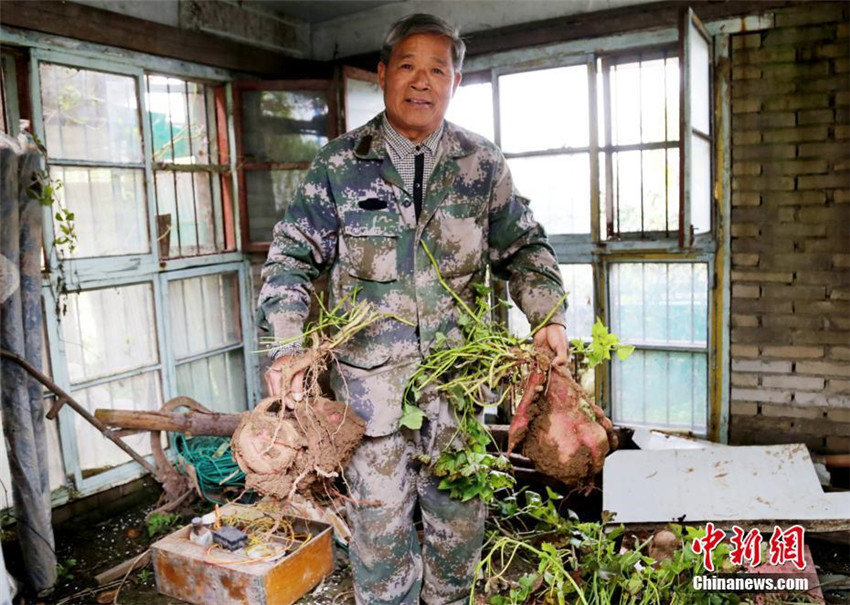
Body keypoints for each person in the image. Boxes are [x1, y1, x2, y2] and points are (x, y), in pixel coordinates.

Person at [258, 13, 569, 605]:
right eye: (408, 66)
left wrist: (547, 315)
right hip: (369, 404)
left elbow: (524, 246)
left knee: (458, 542)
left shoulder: (482, 165)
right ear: (381, 74)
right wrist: (288, 343)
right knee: (378, 552)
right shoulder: (340, 164)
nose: (422, 82)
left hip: (457, 394)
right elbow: (290, 259)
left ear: (456, 81)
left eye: (437, 70)